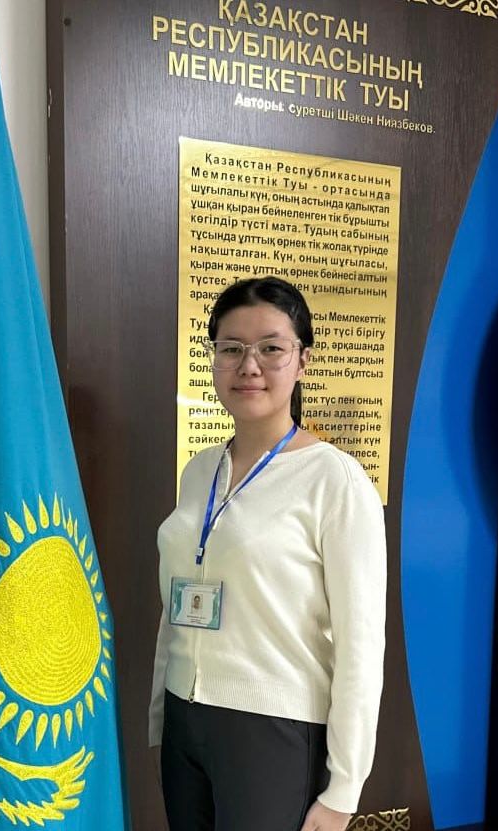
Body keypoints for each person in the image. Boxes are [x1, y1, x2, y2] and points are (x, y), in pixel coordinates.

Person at [149, 277, 386, 831]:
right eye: (231, 348)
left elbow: (360, 643)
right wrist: (161, 715)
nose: (248, 366)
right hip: (186, 719)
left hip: (272, 727)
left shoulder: (335, 479)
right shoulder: (200, 470)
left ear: (302, 360)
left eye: (270, 348)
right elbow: (176, 602)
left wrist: (344, 788)